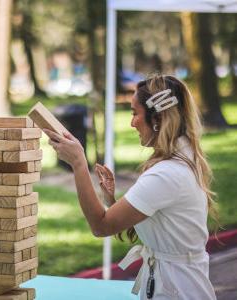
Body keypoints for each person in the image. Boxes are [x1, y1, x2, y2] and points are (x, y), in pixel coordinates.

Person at [44, 74, 217, 299]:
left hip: (176, 290)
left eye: (135, 113)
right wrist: (111, 201)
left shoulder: (165, 174)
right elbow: (155, 226)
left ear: (157, 118)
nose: (131, 122)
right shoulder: (182, 158)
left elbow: (101, 227)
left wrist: (78, 164)